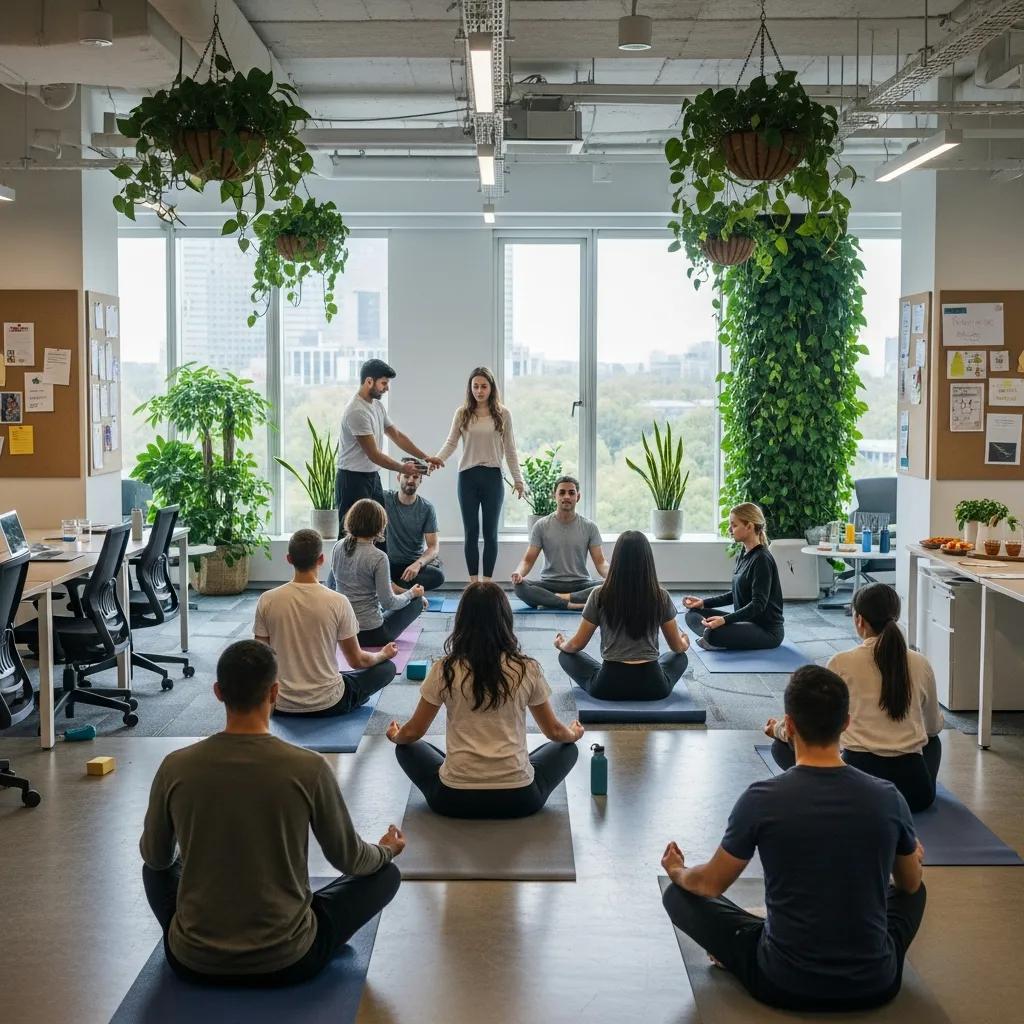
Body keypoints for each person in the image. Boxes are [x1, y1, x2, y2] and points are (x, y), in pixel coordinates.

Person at [661, 664, 926, 1013]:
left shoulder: (761, 798)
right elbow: (909, 884)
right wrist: (907, 853)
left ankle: (753, 942)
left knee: (677, 896)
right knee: (916, 892)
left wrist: (677, 871)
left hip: (782, 983)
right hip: (876, 984)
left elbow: (709, 885)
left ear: (789, 725)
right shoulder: (888, 797)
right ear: (846, 722)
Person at [140, 640, 405, 987]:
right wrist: (386, 850)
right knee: (386, 875)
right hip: (290, 960)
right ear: (275, 692)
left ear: (218, 692)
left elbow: (156, 858)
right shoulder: (308, 767)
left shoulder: (175, 766)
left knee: (154, 870)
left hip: (192, 961)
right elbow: (351, 860)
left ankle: (199, 936)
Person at [386, 583, 583, 819]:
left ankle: (467, 773)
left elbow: (414, 732)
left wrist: (396, 736)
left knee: (406, 748)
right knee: (567, 749)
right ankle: (509, 770)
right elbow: (553, 731)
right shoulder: (526, 668)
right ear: (505, 620)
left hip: (452, 800)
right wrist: (573, 734)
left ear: (462, 622)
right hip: (521, 799)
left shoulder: (444, 669)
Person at [766, 583, 943, 812]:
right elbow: (933, 727)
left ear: (859, 619)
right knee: (933, 742)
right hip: (914, 793)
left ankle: (822, 787)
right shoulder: (921, 663)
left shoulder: (841, 663)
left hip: (853, 789)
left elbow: (816, 725)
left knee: (780, 748)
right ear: (895, 617)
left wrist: (779, 729)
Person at [253, 529, 398, 717]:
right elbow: (357, 661)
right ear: (321, 559)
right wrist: (383, 654)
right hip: (330, 702)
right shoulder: (338, 601)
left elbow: (259, 660)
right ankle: (354, 699)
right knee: (387, 668)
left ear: (289, 559)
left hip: (281, 704)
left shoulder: (267, 600)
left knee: (344, 677)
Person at [554, 531, 689, 700]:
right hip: (654, 687)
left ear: (617, 560)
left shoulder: (599, 594)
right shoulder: (660, 596)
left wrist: (562, 645)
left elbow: (576, 645)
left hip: (608, 686)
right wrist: (684, 642)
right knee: (680, 658)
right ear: (647, 560)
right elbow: (677, 647)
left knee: (566, 656)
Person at [435, 367, 524, 582]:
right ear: (470, 388)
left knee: (491, 533)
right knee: (471, 533)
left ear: (491, 388)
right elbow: (451, 443)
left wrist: (518, 480)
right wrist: (437, 459)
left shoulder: (503, 414)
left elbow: (510, 449)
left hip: (493, 477)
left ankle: (488, 583)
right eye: (475, 386)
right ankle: (474, 583)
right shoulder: (462, 413)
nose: (479, 391)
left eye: (484, 386)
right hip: (467, 478)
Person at [336, 358, 444, 535]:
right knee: (351, 537)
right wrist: (402, 468)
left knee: (380, 532)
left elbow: (397, 435)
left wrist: (425, 457)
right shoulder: (356, 411)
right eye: (384, 383)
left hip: (372, 476)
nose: (387, 388)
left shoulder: (377, 406)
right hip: (352, 480)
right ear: (369, 381)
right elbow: (374, 454)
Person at [682, 502, 784, 651]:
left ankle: (713, 636)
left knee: (711, 634)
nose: (730, 529)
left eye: (734, 525)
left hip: (766, 631)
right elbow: (736, 594)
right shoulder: (743, 554)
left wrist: (724, 620)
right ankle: (719, 635)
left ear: (749, 526)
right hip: (745, 622)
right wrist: (703, 603)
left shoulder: (762, 559)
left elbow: (758, 605)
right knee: (692, 614)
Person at [332, 498, 426, 646]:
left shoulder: (337, 546)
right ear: (379, 526)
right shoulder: (378, 557)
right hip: (372, 634)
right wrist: (413, 593)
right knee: (417, 601)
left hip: (343, 632)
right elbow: (389, 603)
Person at [511, 476, 607, 610]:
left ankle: (556, 600)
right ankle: (571, 604)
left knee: (608, 587)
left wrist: (613, 577)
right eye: (562, 492)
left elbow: (601, 562)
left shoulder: (590, 527)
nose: (566, 496)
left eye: (571, 493)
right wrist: (518, 573)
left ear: (577, 497)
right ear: (554, 496)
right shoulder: (541, 525)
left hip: (580, 584)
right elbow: (527, 560)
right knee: (519, 587)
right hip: (550, 584)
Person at [383, 463, 445, 592]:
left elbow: (433, 547)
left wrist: (418, 564)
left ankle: (399, 588)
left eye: (416, 477)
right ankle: (401, 588)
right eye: (406, 476)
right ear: (398, 477)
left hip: (413, 565)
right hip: (389, 564)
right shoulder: (385, 499)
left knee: (438, 575)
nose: (411, 480)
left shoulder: (426, 508)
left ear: (420, 480)